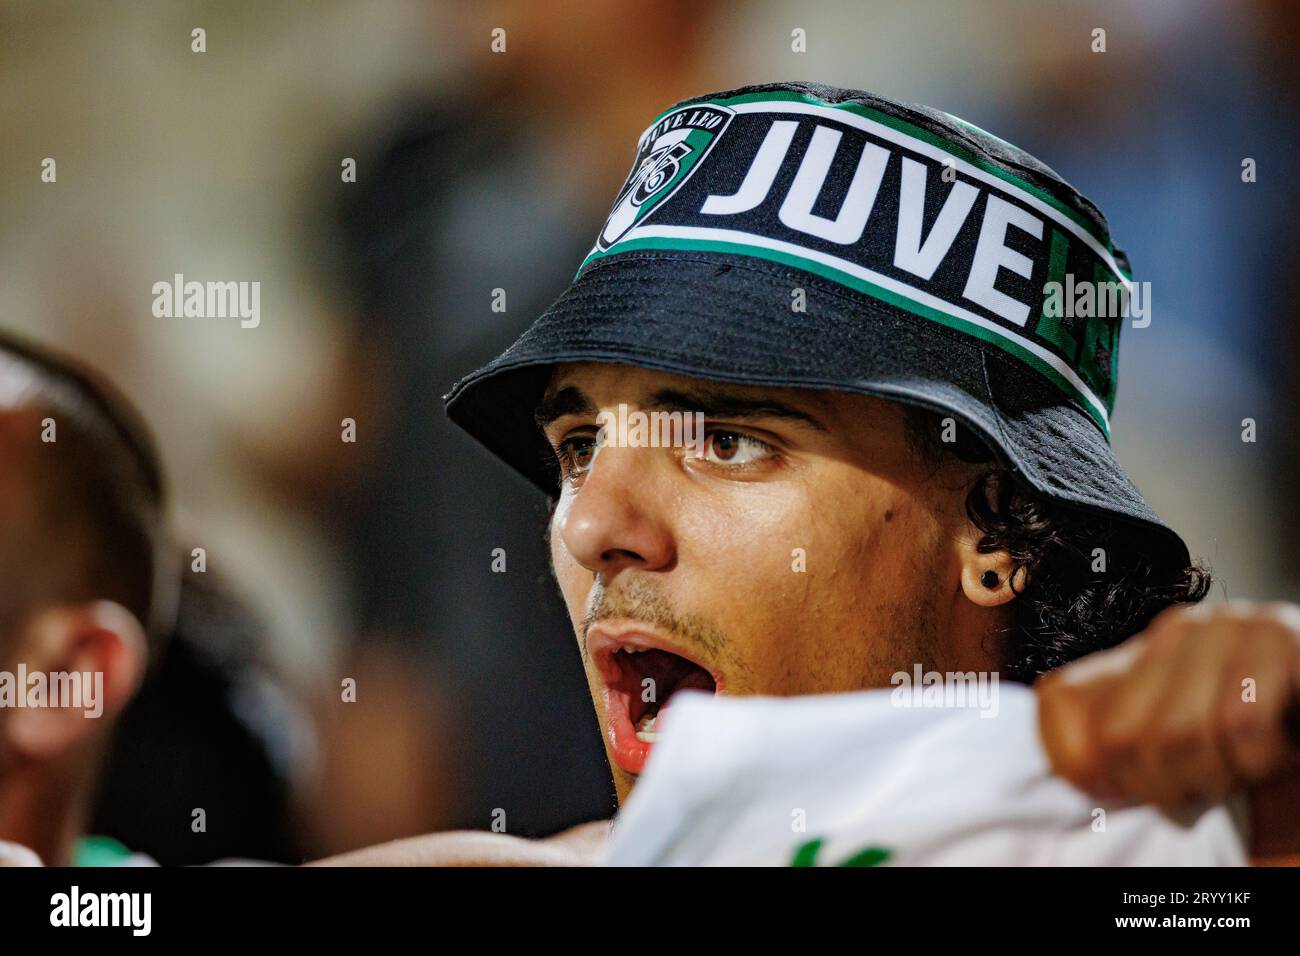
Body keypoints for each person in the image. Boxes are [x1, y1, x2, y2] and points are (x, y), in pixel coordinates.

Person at [338, 81, 1300, 865]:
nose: (593, 524)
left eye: (724, 441)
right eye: (580, 447)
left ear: (998, 527)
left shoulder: (1170, 857)